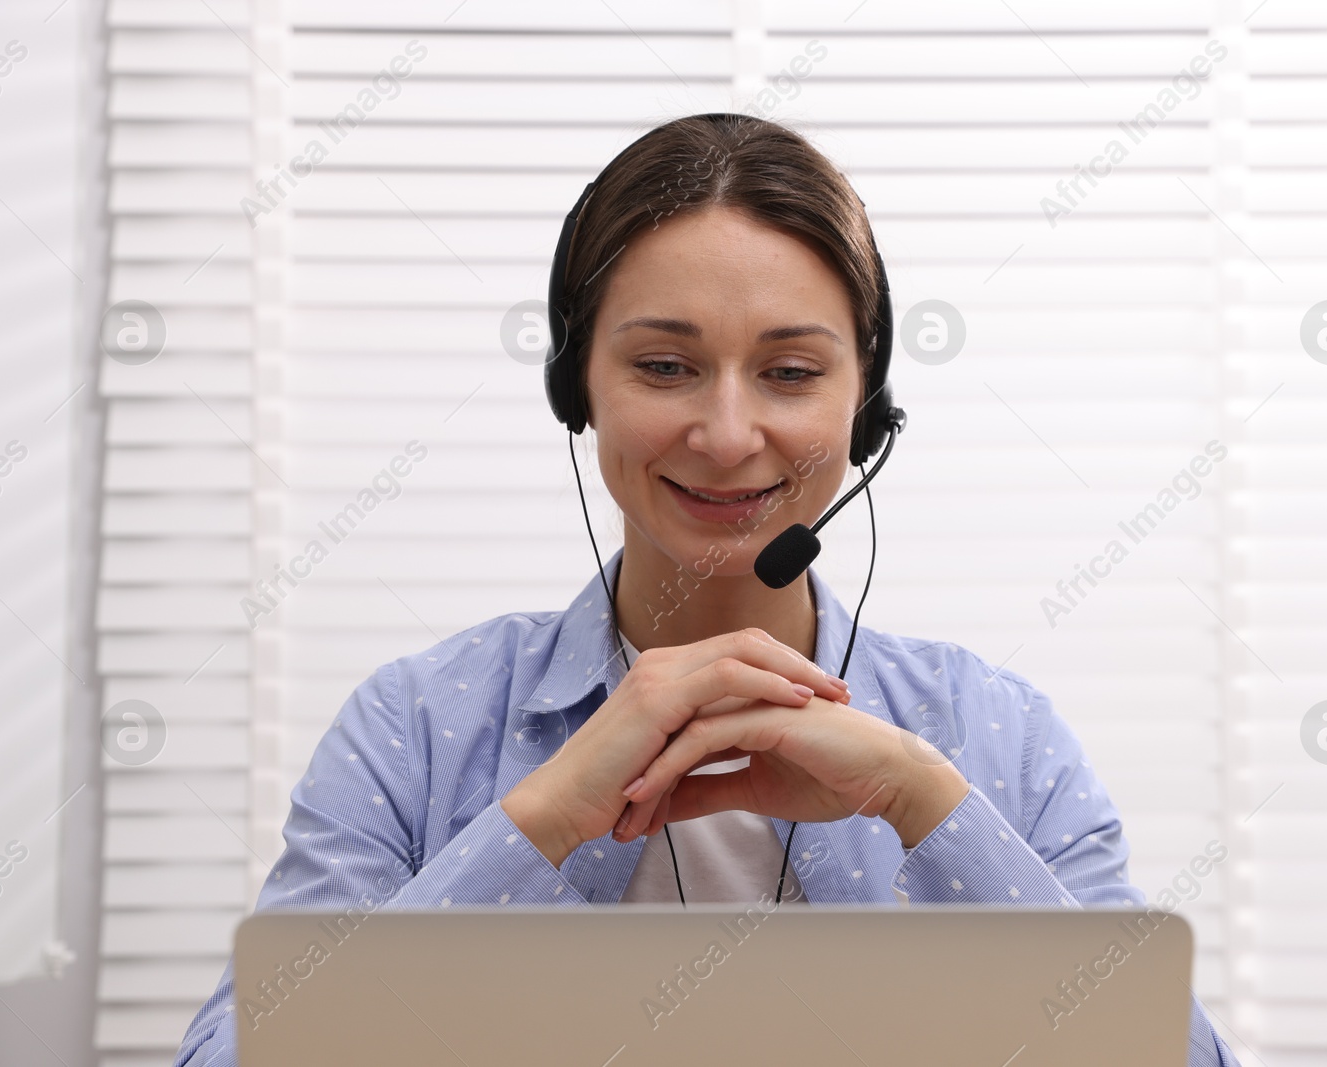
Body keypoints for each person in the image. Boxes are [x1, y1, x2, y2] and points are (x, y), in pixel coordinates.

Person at [174, 113, 1239, 1066]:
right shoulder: (417, 722)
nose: (728, 437)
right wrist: (537, 817)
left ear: (864, 407)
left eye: (789, 372)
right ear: (573, 385)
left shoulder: (995, 733)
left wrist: (925, 802)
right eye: (666, 367)